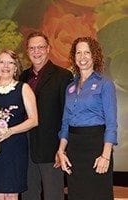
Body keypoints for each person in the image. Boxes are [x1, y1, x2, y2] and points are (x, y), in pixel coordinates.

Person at [56, 36, 117, 200]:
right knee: (77, 194)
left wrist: (106, 155)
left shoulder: (105, 84)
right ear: (74, 56)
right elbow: (65, 123)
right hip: (74, 149)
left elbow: (111, 124)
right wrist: (61, 151)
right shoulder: (70, 87)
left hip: (96, 146)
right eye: (78, 52)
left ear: (94, 56)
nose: (82, 57)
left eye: (87, 53)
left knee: (98, 195)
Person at [20, 31, 73, 200]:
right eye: (32, 48)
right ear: (27, 52)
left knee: (53, 196)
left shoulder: (63, 76)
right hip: (26, 149)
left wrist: (62, 149)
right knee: (28, 195)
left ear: (48, 49)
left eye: (40, 47)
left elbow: (67, 114)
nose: (36, 51)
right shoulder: (22, 77)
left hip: (52, 150)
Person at [0, 49, 38, 200]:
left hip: (14, 149)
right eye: (2, 62)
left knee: (11, 194)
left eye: (10, 62)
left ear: (16, 67)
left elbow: (34, 120)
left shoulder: (23, 88)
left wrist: (10, 131)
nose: (5, 66)